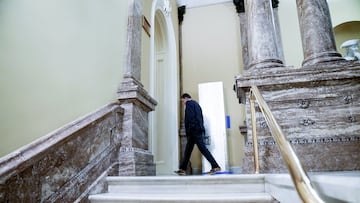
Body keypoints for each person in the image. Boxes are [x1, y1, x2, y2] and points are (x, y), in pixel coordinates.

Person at [175, 93, 221, 175]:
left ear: (185, 98)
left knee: (202, 149)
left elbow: (190, 117)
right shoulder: (196, 104)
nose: (183, 103)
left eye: (183, 101)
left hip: (194, 131)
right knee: (188, 150)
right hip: (197, 129)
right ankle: (183, 169)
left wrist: (189, 131)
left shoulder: (189, 104)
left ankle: (215, 166)